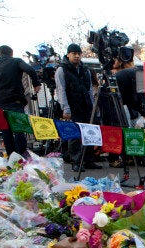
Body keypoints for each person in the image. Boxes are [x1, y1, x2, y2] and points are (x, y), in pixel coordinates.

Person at [55, 44, 102, 172]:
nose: (77, 56)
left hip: (86, 106)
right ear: (68, 54)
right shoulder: (62, 70)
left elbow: (89, 89)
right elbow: (61, 90)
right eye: (74, 53)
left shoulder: (85, 70)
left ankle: (88, 160)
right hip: (72, 107)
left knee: (89, 132)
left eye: (79, 54)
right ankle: (76, 161)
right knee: (74, 135)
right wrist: (66, 108)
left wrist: (93, 106)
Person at [0, 45, 41, 156]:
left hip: (0, 102)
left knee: (6, 130)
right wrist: (36, 83)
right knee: (19, 129)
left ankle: (11, 158)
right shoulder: (16, 61)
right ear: (11, 53)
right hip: (15, 100)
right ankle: (21, 156)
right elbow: (30, 70)